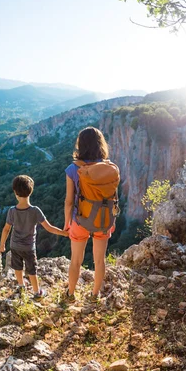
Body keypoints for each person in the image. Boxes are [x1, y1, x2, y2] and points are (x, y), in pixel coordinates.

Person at [64, 127, 119, 303]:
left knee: (76, 261)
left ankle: (70, 294)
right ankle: (95, 294)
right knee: (99, 261)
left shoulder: (73, 169)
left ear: (80, 145)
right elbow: (114, 196)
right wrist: (112, 219)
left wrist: (67, 222)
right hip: (103, 219)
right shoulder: (109, 168)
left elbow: (69, 201)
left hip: (79, 220)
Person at [0, 175, 68, 300]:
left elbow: (6, 229)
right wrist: (64, 233)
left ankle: (21, 286)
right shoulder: (35, 211)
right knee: (32, 270)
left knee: (17, 267)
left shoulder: (12, 211)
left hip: (14, 245)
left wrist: (2, 245)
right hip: (29, 247)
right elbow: (49, 228)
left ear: (15, 192)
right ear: (31, 191)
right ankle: (37, 293)